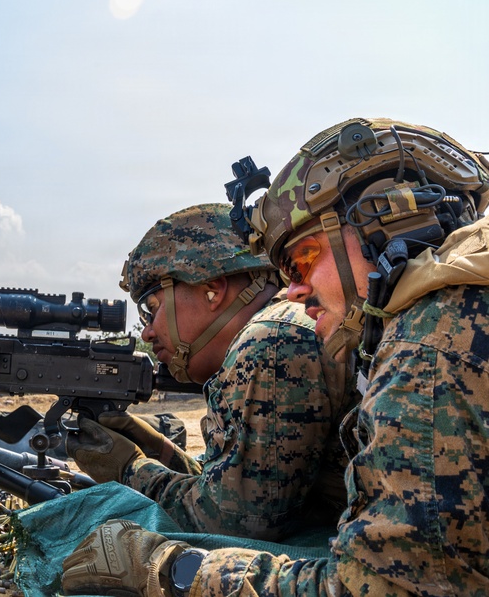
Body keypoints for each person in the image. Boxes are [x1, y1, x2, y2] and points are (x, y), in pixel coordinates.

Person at [62, 117, 489, 596]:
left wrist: (166, 568)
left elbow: (382, 586)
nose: (294, 289)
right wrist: (156, 454)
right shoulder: (446, 314)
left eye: (304, 259)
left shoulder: (430, 344)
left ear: (389, 219)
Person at [65, 202, 356, 541]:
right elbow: (248, 492)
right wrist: (160, 452)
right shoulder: (288, 324)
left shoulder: (269, 341)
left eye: (150, 308)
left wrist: (130, 469)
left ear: (213, 290)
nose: (146, 332)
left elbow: (231, 525)